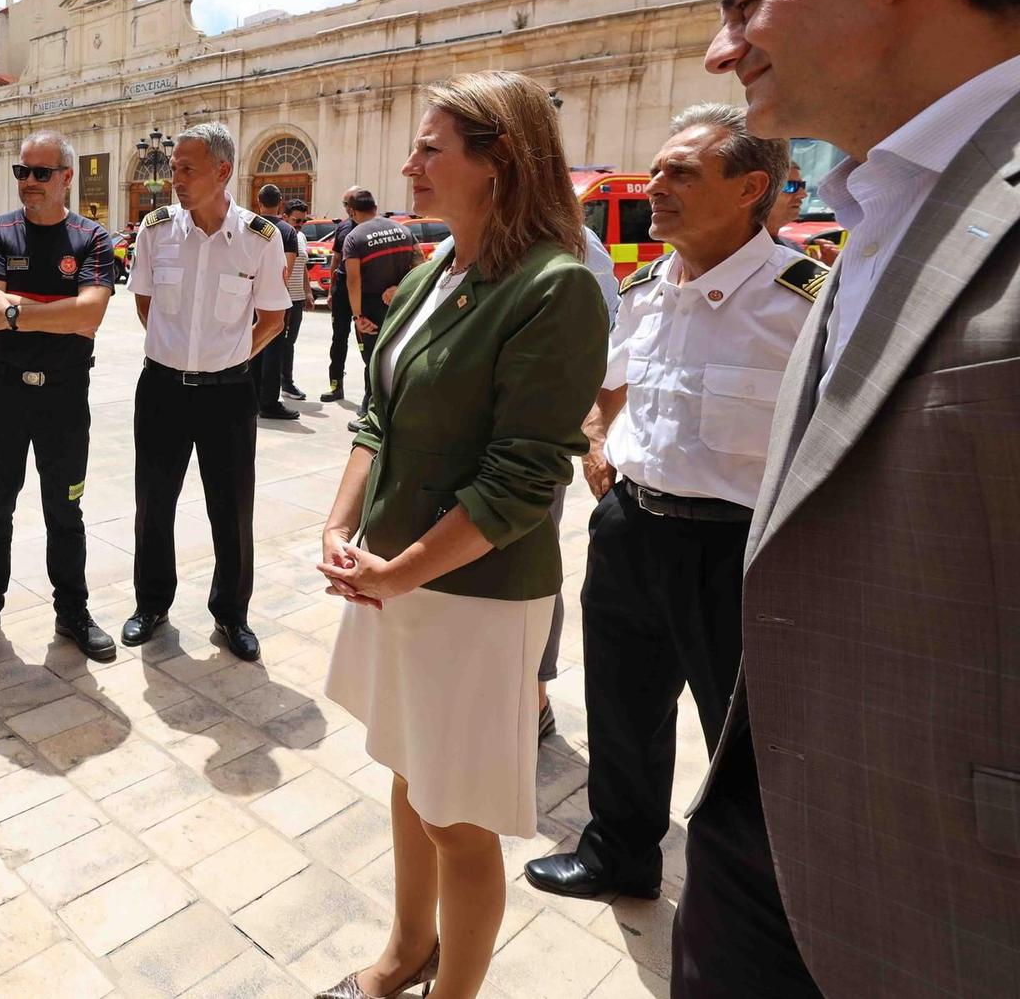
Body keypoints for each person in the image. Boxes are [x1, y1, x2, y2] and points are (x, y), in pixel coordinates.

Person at [680, 0, 1020, 998]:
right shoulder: (870, 205)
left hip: (948, 893)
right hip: (772, 833)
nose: (719, 51)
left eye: (747, 5)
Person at [312, 71, 607, 999]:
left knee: (460, 819)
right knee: (409, 772)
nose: (409, 165)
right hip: (399, 578)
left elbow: (523, 476)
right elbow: (378, 415)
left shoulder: (554, 287)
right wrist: (339, 520)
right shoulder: (442, 266)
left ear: (499, 162)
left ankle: (453, 990)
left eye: (431, 148)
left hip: (472, 596)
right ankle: (405, 952)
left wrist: (399, 570)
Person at [524, 105, 820, 909]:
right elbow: (612, 381)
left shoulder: (807, 303)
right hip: (631, 531)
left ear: (751, 186)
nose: (654, 185)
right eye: (656, 169)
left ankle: (764, 905)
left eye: (680, 171)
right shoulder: (647, 285)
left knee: (749, 741)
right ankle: (620, 853)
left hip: (741, 550)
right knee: (622, 709)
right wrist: (599, 441)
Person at [124, 122, 290, 661]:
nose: (176, 178)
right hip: (162, 390)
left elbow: (272, 316)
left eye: (187, 169)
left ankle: (231, 614)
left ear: (223, 172)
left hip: (228, 396)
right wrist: (181, 351)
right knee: (153, 504)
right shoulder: (154, 231)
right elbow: (145, 304)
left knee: (231, 508)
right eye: (173, 168)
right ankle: (151, 604)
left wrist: (229, 355)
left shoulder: (258, 239)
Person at [0, 130, 117, 663]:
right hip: (3, 396)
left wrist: (17, 311)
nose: (28, 181)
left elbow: (91, 313)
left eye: (40, 172)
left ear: (67, 177)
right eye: (22, 172)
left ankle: (72, 610)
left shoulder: (92, 239)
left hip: (65, 399)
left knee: (65, 511)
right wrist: (59, 314)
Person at [535, 222, 624, 741]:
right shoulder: (460, 242)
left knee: (532, 564)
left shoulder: (574, 243)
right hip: (460, 442)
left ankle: (535, 698)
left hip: (537, 435)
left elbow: (606, 339)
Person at [324, 191, 419, 405]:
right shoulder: (404, 230)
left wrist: (358, 316)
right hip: (398, 303)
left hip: (370, 306)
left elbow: (353, 280)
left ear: (353, 211)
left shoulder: (355, 237)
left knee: (373, 358)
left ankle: (370, 409)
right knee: (392, 354)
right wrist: (399, 287)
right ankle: (386, 404)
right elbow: (420, 264)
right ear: (375, 207)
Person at [252, 182, 303, 421]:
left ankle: (250, 397)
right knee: (273, 350)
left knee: (250, 346)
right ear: (280, 203)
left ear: (259, 202)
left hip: (247, 297)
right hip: (274, 299)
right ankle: (269, 402)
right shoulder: (287, 231)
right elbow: (287, 269)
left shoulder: (249, 226)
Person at [320, 186, 362, 401]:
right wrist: (330, 291)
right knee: (339, 338)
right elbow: (336, 259)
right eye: (345, 204)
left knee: (367, 340)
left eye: (350, 203)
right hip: (342, 289)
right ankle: (336, 384)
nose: (347, 208)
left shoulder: (371, 227)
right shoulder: (343, 228)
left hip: (366, 290)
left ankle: (373, 394)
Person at [280, 197, 313, 399]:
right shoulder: (281, 236)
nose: (300, 225)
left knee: (289, 343)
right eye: (296, 220)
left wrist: (308, 291)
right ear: (285, 217)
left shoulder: (301, 237)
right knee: (280, 344)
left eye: (303, 221)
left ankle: (286, 382)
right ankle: (284, 383)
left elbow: (302, 268)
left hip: (297, 299)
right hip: (283, 299)